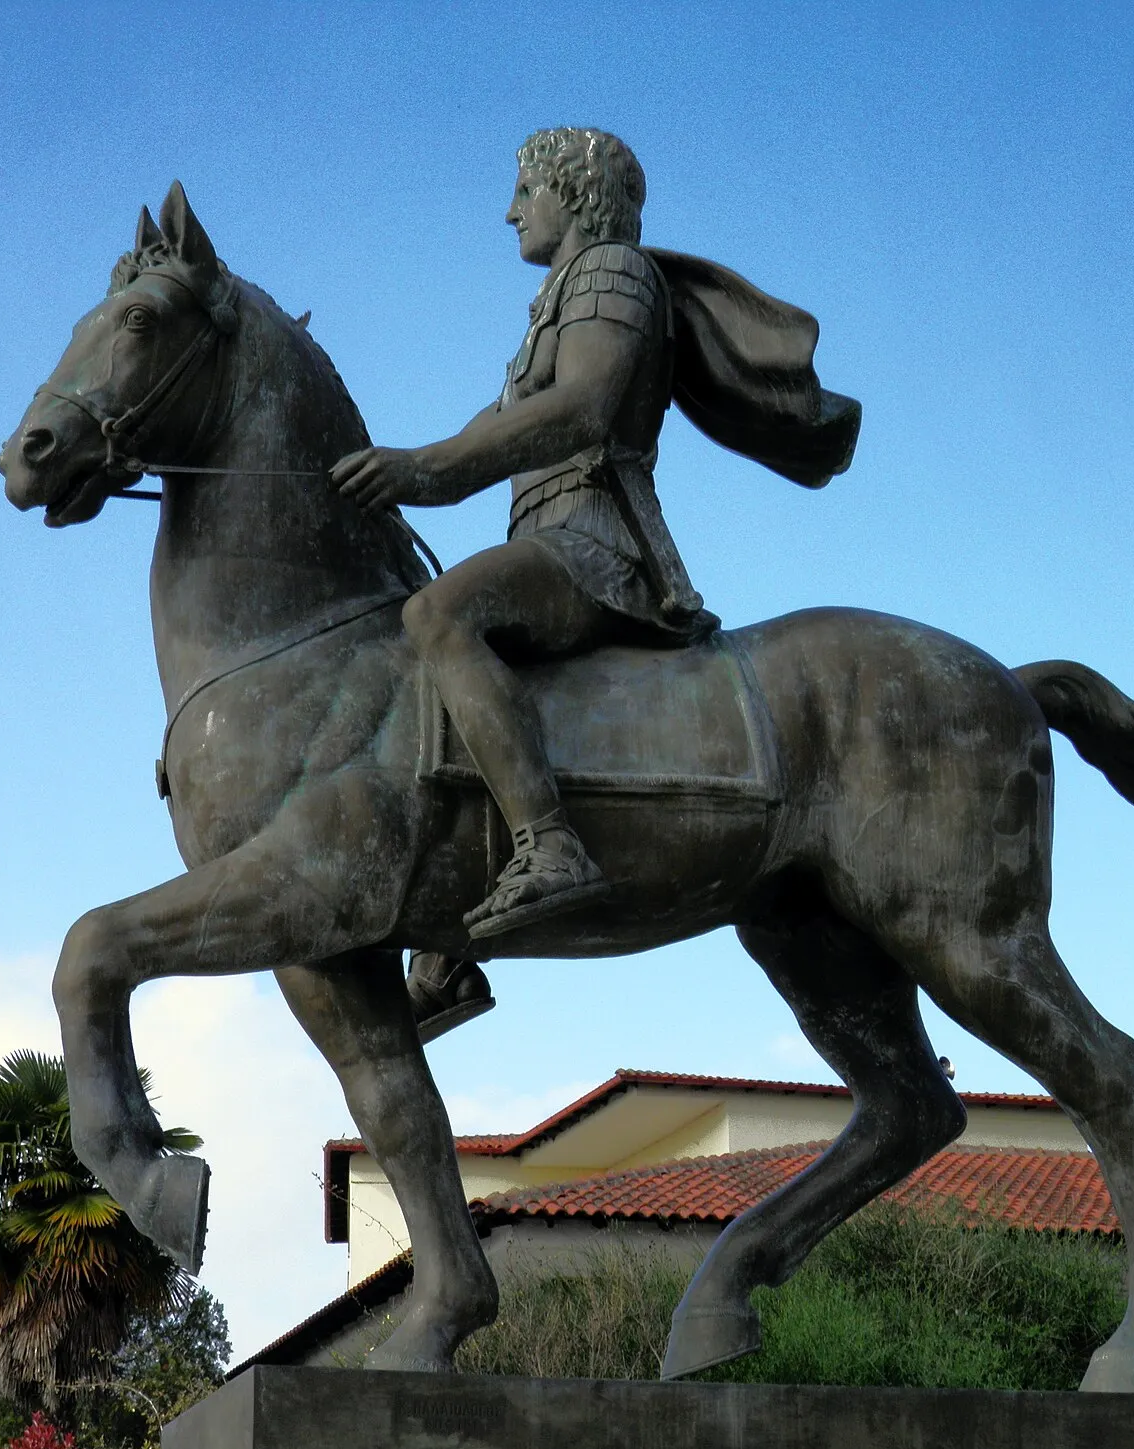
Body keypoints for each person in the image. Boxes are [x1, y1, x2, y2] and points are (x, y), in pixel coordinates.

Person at [332, 127, 858, 1026]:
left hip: (597, 545)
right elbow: (474, 442)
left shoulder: (613, 273)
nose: (510, 211)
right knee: (438, 661)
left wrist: (421, 469)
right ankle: (450, 948)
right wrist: (386, 477)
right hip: (544, 540)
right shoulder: (552, 303)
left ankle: (549, 846)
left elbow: (582, 409)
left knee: (443, 617)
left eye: (523, 190)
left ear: (572, 195)